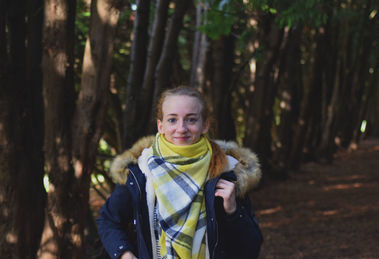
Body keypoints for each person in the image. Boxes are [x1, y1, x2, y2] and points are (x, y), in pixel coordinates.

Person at [97, 86, 263, 259]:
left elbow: (251, 249)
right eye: (172, 120)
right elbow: (108, 221)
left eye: (191, 120)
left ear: (205, 125)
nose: (181, 128)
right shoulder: (139, 173)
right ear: (160, 126)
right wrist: (125, 254)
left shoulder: (225, 171)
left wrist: (233, 212)